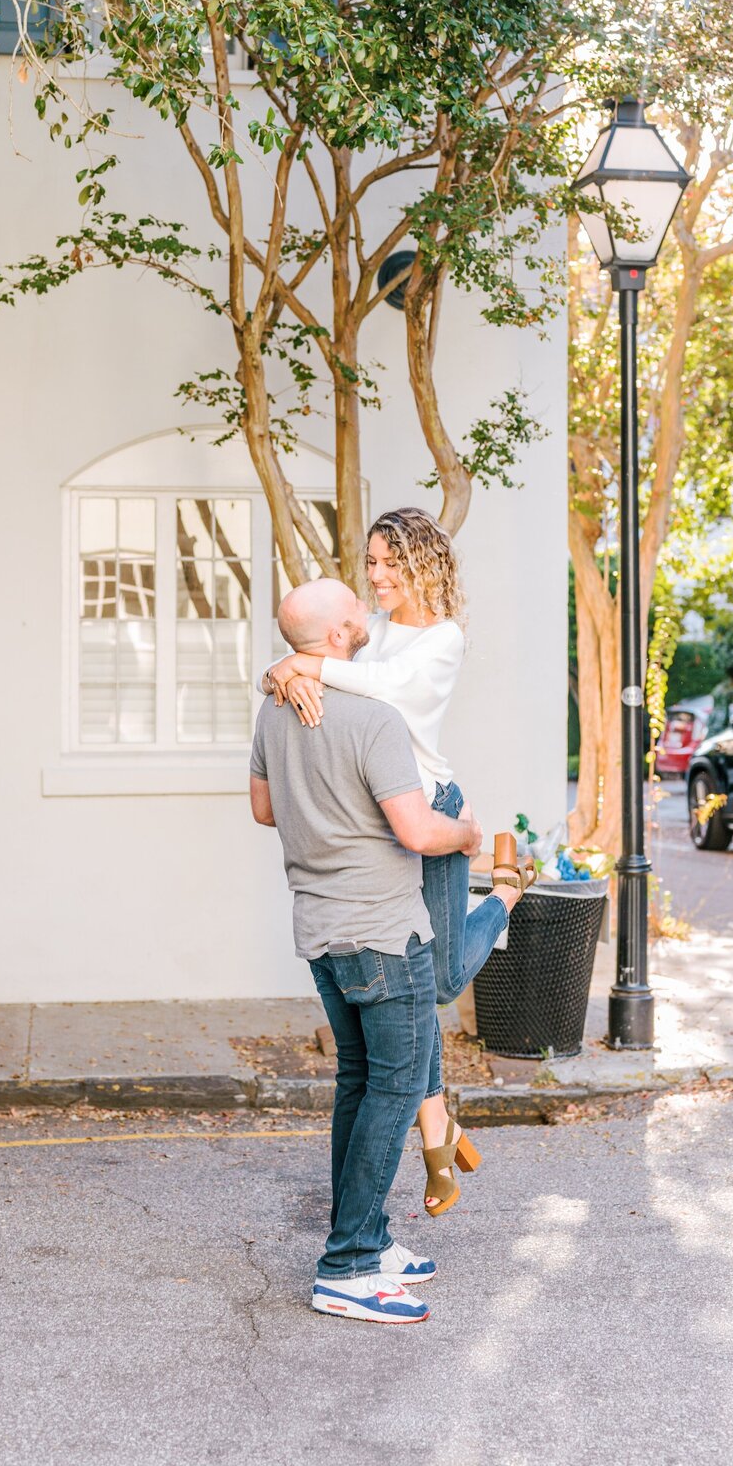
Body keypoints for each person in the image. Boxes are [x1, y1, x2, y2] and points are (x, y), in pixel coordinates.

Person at [261, 506, 536, 1216]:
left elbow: (379, 691)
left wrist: (303, 665)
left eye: (389, 563)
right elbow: (340, 656)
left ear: (422, 564)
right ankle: (437, 1130)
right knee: (411, 980)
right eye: (372, 563)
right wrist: (282, 669)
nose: (376, 576)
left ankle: (505, 893)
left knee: (439, 979)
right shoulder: (376, 628)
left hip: (428, 807)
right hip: (379, 813)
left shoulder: (442, 639)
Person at [250, 576, 483, 1324]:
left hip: (319, 929)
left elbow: (263, 808)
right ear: (345, 629)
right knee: (394, 1088)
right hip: (385, 934)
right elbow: (419, 832)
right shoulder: (375, 718)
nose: (369, 610)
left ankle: (370, 1240)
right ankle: (347, 1266)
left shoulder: (276, 708)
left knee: (360, 1084)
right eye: (360, 605)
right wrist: (469, 835)